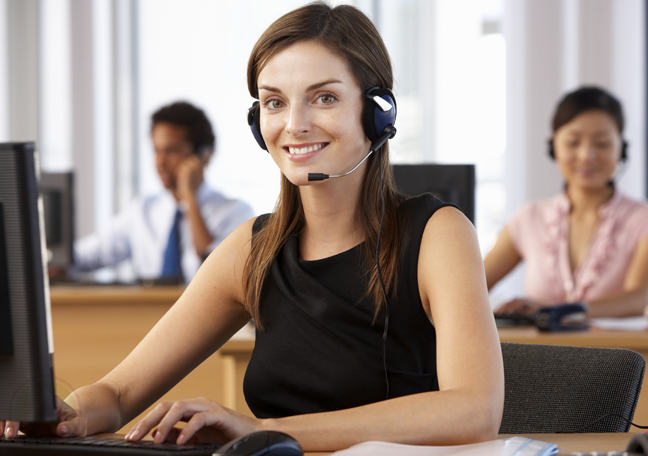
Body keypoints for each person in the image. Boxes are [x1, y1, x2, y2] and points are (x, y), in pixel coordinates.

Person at [2, 3, 504, 451]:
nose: (295, 124)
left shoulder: (437, 233)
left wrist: (267, 430)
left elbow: (473, 410)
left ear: (377, 113)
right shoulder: (253, 250)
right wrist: (66, 416)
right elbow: (117, 393)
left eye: (324, 98)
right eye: (274, 102)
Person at [486, 87, 648, 318]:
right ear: (554, 147)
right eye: (573, 142)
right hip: (541, 355)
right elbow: (472, 286)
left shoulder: (642, 219)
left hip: (617, 353)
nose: (586, 155)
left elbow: (639, 299)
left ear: (622, 149)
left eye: (602, 143)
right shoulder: (529, 217)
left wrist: (556, 311)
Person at [72, 101, 254, 283]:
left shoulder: (236, 213)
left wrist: (189, 198)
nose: (160, 163)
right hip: (151, 311)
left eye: (172, 151)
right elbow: (85, 256)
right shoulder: (142, 210)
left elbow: (220, 269)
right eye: (156, 150)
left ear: (203, 156)